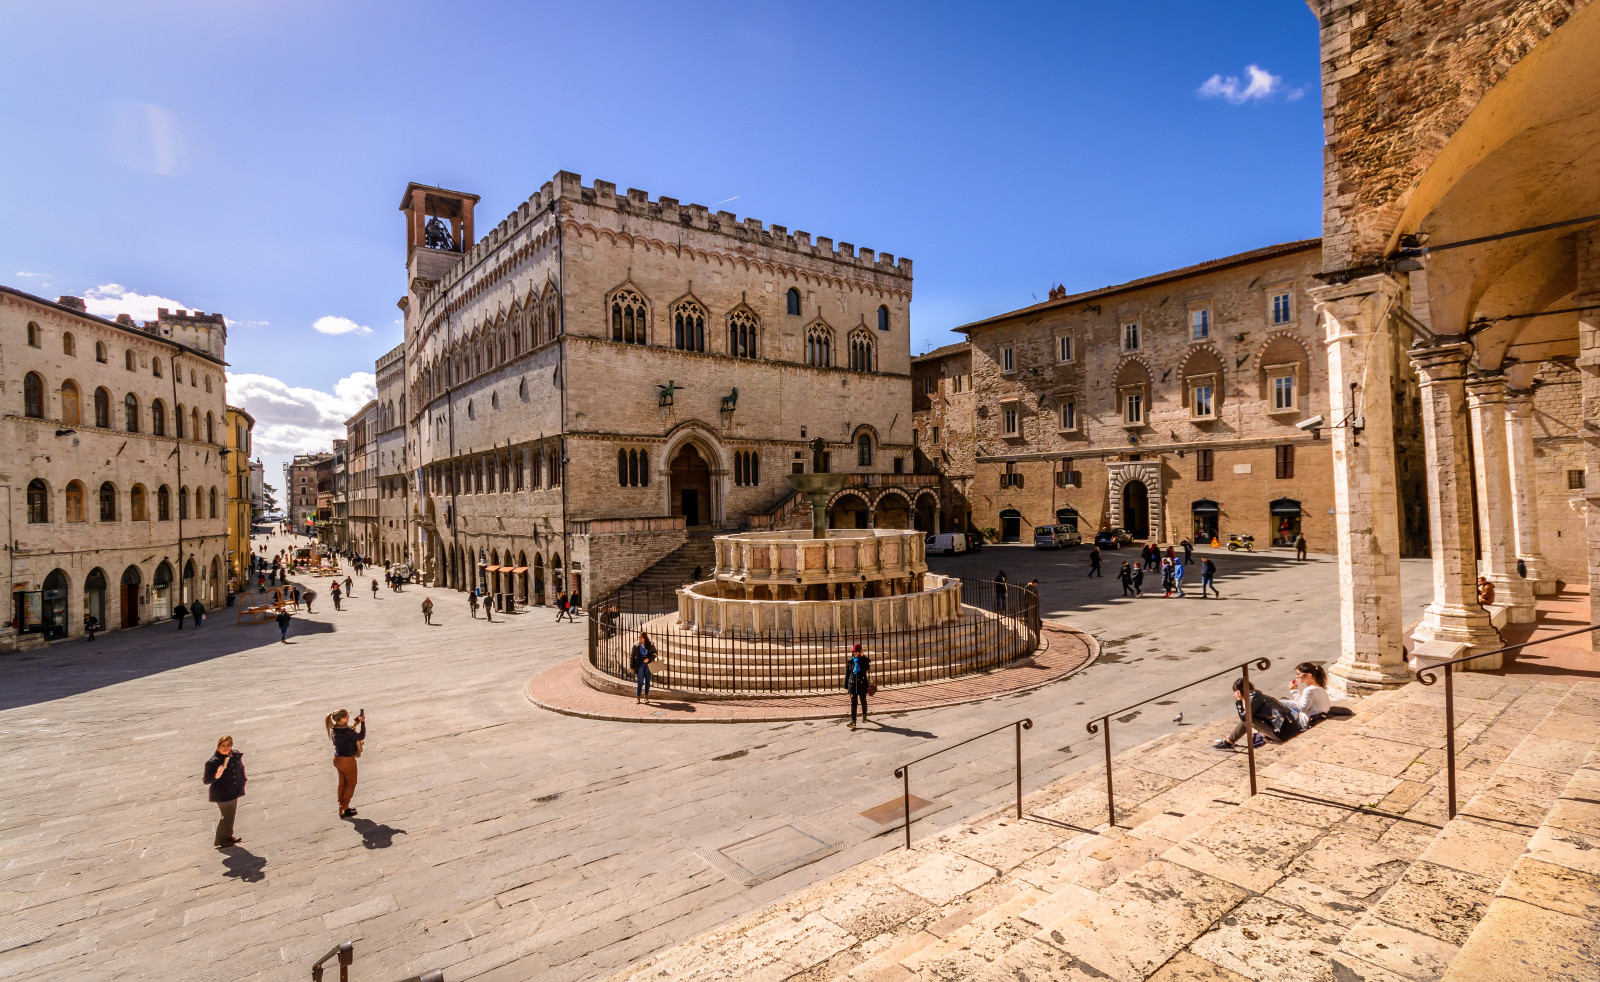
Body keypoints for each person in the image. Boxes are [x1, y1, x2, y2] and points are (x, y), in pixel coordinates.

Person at [1213, 677, 1302, 750]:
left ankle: (1229, 742)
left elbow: (1244, 719)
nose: (1234, 695)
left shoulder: (1253, 699)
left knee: (1247, 719)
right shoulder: (1257, 696)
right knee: (1249, 717)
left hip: (1283, 735)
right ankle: (1230, 739)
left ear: (1239, 691)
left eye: (1235, 692)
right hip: (1288, 730)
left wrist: (1239, 701)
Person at [203, 735, 246, 849]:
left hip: (233, 790)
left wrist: (243, 780)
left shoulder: (235, 755)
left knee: (231, 815)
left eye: (228, 745)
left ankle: (228, 836)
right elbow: (207, 780)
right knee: (226, 816)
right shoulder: (213, 761)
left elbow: (241, 768)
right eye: (223, 745)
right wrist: (217, 775)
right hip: (222, 793)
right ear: (218, 746)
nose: (226, 748)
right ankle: (221, 840)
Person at [325, 709, 365, 818]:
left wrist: (356, 723)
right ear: (342, 719)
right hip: (348, 761)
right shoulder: (347, 731)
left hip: (338, 759)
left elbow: (348, 734)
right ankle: (344, 808)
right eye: (347, 716)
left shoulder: (334, 729)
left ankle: (342, 807)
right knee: (351, 784)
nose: (348, 717)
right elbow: (361, 736)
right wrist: (363, 723)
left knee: (342, 783)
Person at [1286, 662, 1332, 728]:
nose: (1297, 676)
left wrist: (1294, 691)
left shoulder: (1309, 690)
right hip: (1317, 715)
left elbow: (1303, 709)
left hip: (1308, 721)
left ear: (1308, 675)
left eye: (1299, 674)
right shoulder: (1319, 687)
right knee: (1282, 702)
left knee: (1280, 710)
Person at [845, 643, 871, 728]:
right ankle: (853, 721)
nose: (855, 653)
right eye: (854, 652)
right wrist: (846, 686)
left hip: (862, 684)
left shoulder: (863, 660)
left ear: (860, 652)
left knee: (863, 700)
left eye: (856, 652)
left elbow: (867, 667)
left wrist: (863, 657)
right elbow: (848, 674)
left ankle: (864, 714)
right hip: (853, 685)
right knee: (853, 703)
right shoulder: (850, 661)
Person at [631, 632, 656, 703]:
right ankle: (638, 698)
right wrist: (632, 667)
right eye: (639, 637)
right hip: (640, 665)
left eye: (641, 637)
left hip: (648, 665)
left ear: (645, 638)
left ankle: (646, 697)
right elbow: (632, 656)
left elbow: (655, 653)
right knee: (640, 682)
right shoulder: (636, 645)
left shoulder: (651, 645)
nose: (640, 639)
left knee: (647, 681)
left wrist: (649, 659)